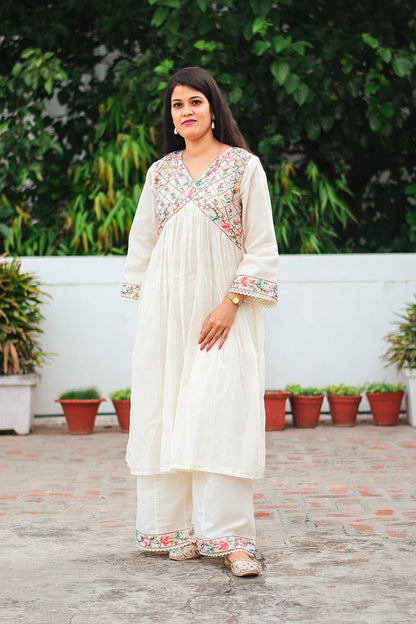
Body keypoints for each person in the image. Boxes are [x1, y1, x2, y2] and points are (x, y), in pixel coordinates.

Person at [122, 67, 278, 577]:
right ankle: (182, 528)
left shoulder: (242, 167)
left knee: (219, 414)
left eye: (195, 102)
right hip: (168, 313)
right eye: (176, 105)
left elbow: (260, 245)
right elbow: (142, 244)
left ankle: (232, 540)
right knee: (170, 410)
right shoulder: (160, 173)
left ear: (214, 108)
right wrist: (148, 306)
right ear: (170, 117)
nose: (185, 112)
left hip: (222, 313)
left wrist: (230, 302)